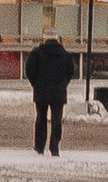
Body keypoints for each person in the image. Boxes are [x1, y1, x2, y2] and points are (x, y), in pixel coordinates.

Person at [25, 26, 74, 156]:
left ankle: (40, 147)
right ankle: (54, 147)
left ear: (45, 38)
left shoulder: (37, 53)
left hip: (41, 91)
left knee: (41, 118)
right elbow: (70, 71)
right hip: (59, 92)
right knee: (57, 120)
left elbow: (29, 70)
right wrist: (63, 84)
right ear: (57, 38)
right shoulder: (64, 54)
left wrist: (36, 84)